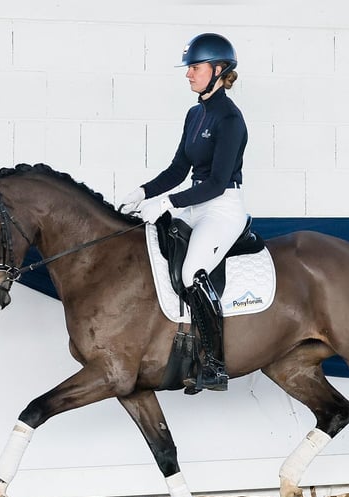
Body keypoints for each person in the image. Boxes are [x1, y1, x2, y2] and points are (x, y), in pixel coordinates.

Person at [120, 33, 249, 392]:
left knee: (193, 271)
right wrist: (143, 192)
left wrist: (168, 203)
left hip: (221, 207)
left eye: (195, 68)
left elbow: (217, 183)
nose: (188, 75)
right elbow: (178, 170)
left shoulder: (230, 119)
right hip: (194, 203)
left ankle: (214, 363)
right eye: (189, 68)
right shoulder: (195, 114)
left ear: (218, 70)